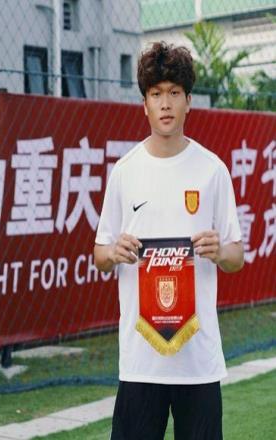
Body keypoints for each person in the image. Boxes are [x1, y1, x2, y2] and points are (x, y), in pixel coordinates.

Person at [94, 42, 244, 440]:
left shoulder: (212, 170)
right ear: (144, 104)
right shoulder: (125, 172)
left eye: (174, 93)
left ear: (188, 101)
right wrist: (113, 252)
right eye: (156, 93)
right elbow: (100, 253)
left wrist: (219, 250)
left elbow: (236, 256)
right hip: (141, 361)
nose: (165, 103)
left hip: (198, 361)